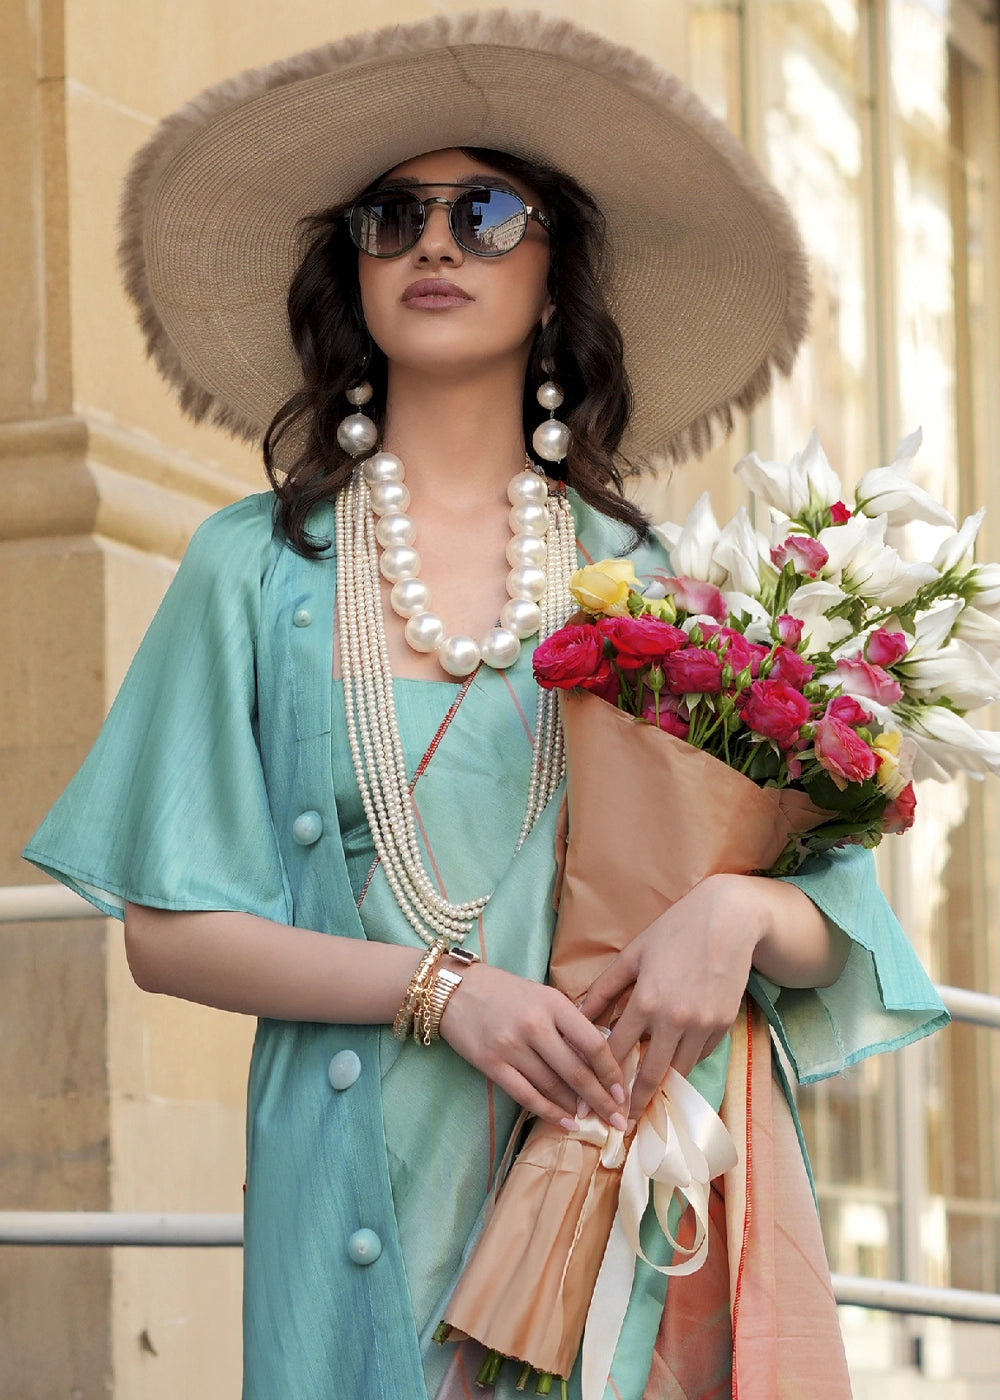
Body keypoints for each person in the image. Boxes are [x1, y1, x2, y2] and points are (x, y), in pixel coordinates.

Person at [24, 12, 947, 1399]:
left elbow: (842, 922)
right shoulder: (251, 568)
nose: (436, 244)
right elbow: (166, 933)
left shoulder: (655, 587)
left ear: (556, 265)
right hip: (348, 1184)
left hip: (595, 1190)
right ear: (351, 272)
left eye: (487, 212)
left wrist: (737, 913)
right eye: (391, 218)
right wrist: (441, 993)